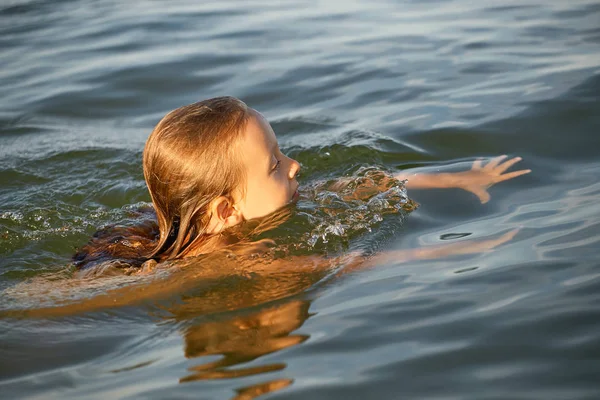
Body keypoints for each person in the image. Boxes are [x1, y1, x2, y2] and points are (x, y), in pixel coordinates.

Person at [73, 96, 530, 276]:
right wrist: (451, 251)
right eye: (274, 163)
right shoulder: (235, 261)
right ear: (226, 211)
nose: (294, 166)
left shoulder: (245, 209)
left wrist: (454, 177)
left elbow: (356, 187)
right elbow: (342, 263)